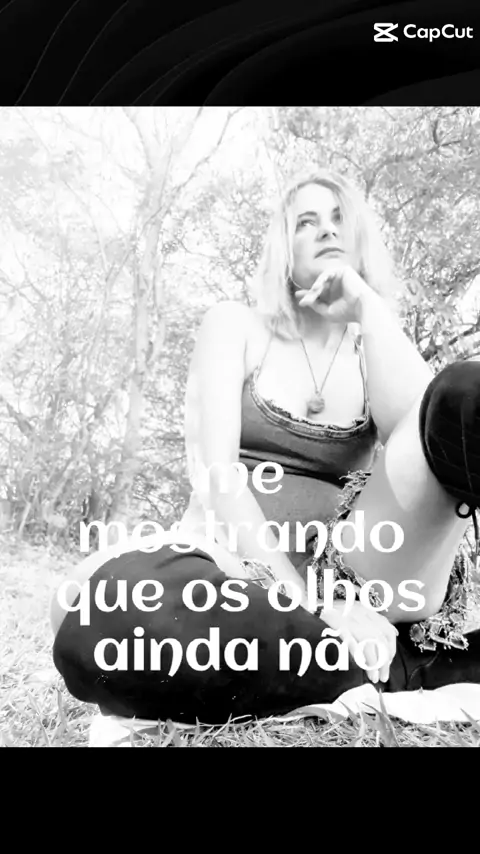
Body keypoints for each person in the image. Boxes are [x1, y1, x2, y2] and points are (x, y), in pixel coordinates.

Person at [51, 169, 480, 726]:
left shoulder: (371, 349)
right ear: (283, 245)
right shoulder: (236, 325)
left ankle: (342, 660)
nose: (327, 230)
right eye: (307, 221)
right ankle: (388, 667)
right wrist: (310, 603)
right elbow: (217, 475)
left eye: (340, 219)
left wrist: (368, 308)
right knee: (108, 610)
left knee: (467, 393)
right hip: (233, 574)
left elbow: (435, 438)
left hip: (356, 576)